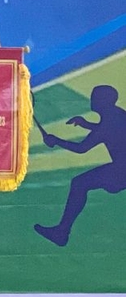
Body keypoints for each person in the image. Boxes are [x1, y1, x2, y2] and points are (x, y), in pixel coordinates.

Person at [34, 84, 126, 246]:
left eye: (95, 97)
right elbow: (109, 131)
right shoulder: (117, 114)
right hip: (121, 167)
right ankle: (61, 231)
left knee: (79, 183)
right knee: (81, 183)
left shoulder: (108, 121)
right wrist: (86, 124)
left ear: (103, 101)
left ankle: (61, 232)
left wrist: (56, 141)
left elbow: (81, 148)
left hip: (121, 170)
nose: (92, 99)